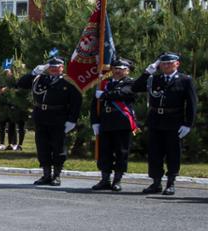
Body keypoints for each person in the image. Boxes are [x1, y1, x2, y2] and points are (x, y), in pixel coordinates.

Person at [133, 52, 197, 195]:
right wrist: (147, 72)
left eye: (170, 63)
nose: (166, 66)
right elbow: (136, 87)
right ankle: (156, 183)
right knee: (155, 153)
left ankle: (171, 183)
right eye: (163, 63)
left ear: (177, 64)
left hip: (174, 121)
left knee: (173, 153)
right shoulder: (155, 79)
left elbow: (192, 104)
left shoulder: (184, 80)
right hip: (156, 121)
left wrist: (188, 124)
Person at [16, 56, 81, 186]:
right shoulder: (40, 79)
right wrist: (34, 73)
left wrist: (72, 120)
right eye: (51, 67)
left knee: (58, 147)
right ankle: (46, 174)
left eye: (57, 67)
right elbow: (20, 84)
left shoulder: (69, 82)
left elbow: (76, 102)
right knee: (42, 147)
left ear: (62, 68)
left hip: (59, 117)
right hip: (41, 117)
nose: (54, 69)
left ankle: (56, 175)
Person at [90, 59, 137, 191]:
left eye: (122, 68)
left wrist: (105, 95)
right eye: (116, 68)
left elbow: (124, 93)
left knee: (121, 152)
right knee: (104, 152)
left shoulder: (131, 82)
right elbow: (95, 105)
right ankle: (105, 179)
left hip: (122, 123)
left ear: (127, 70)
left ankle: (117, 180)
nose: (118, 70)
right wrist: (95, 122)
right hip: (105, 122)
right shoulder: (104, 83)